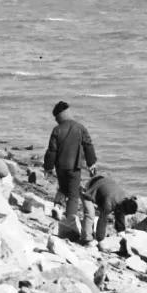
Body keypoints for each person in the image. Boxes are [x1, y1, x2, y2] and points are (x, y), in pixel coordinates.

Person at [43, 100, 97, 241]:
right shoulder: (79, 127)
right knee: (73, 196)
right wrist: (91, 163)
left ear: (58, 116)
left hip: (60, 167)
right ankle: (69, 225)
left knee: (63, 188)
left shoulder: (57, 130)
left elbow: (51, 151)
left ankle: (57, 206)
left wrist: (48, 167)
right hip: (74, 167)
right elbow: (88, 145)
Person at [86, 172, 138, 242]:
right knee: (99, 214)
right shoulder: (108, 204)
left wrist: (121, 231)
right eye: (126, 213)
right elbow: (103, 220)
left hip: (105, 178)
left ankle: (120, 232)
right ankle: (94, 234)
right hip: (92, 183)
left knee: (119, 210)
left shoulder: (125, 197)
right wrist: (100, 239)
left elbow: (120, 213)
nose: (125, 215)